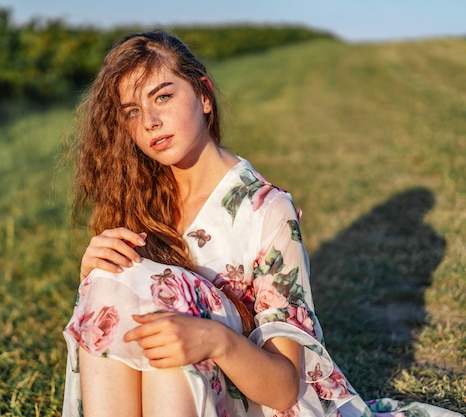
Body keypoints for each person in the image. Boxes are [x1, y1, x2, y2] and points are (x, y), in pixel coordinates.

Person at [61, 30, 462, 417]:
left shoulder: (267, 211)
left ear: (204, 96)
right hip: (167, 394)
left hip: (259, 401)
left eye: (162, 96)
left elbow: (285, 388)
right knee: (112, 282)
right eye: (132, 112)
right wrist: (96, 275)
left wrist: (216, 340)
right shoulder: (139, 198)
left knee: (173, 299)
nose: (149, 121)